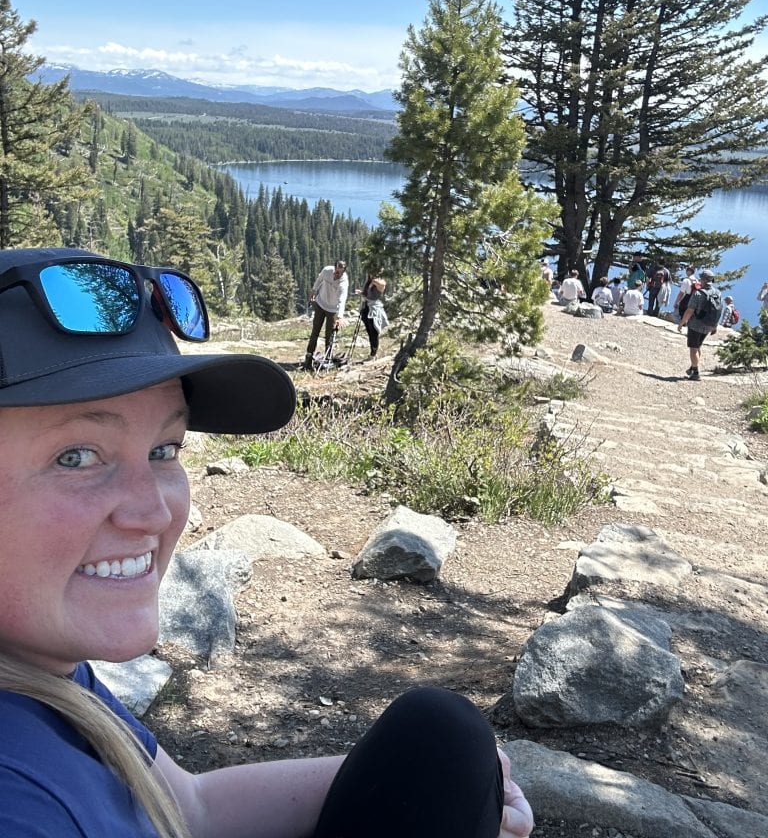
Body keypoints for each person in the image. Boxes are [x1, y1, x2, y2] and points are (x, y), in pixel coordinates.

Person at [0, 246, 533, 838]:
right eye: (76, 457)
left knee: (443, 735)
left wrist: (438, 783)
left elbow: (189, 808)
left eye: (164, 449)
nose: (153, 511)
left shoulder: (41, 673)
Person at [303, 260, 349, 370]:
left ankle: (328, 360)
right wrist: (314, 290)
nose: (337, 274)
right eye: (336, 271)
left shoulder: (343, 283)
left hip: (332, 309)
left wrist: (339, 317)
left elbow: (342, 300)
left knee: (329, 335)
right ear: (334, 268)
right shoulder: (327, 270)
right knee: (315, 331)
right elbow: (319, 280)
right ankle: (309, 356)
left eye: (340, 272)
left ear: (343, 271)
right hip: (320, 303)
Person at [678, 268, 721, 380]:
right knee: (698, 346)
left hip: (695, 325)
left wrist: (682, 322)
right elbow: (718, 311)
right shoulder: (718, 293)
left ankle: (696, 372)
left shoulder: (698, 293)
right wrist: (715, 326)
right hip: (708, 325)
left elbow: (690, 310)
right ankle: (693, 367)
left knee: (693, 348)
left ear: (702, 280)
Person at [360, 272, 389, 359]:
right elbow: (367, 294)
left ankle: (374, 353)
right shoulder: (369, 282)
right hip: (366, 307)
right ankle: (372, 350)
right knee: (369, 330)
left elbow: (382, 284)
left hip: (374, 308)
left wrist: (374, 279)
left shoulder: (380, 282)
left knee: (373, 331)